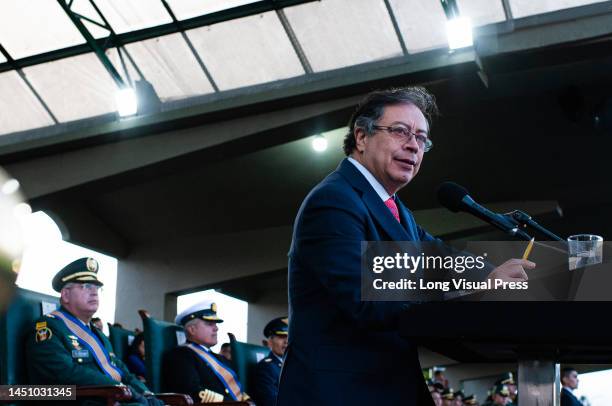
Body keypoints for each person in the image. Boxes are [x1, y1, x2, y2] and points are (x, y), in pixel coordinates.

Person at [275, 87, 533, 406]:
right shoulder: (333, 201)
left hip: (387, 388)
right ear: (361, 137)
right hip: (343, 393)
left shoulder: (395, 209)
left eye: (422, 138)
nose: (413, 145)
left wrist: (492, 273)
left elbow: (438, 256)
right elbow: (368, 299)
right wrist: (473, 291)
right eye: (400, 131)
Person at [25, 257, 162, 405]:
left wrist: (146, 393)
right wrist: (124, 390)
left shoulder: (99, 335)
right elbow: (63, 374)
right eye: (86, 286)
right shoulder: (47, 327)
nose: (94, 292)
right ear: (65, 295)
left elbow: (121, 371)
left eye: (97, 288)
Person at [163, 300, 253, 404]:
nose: (216, 328)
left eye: (215, 324)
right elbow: (193, 393)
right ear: (192, 329)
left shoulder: (220, 359)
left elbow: (238, 392)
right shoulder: (180, 355)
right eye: (209, 324)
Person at [253, 317, 288, 406]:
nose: (286, 341)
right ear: (270, 342)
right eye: (281, 337)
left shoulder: (292, 365)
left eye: (288, 337)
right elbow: (271, 402)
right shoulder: (266, 367)